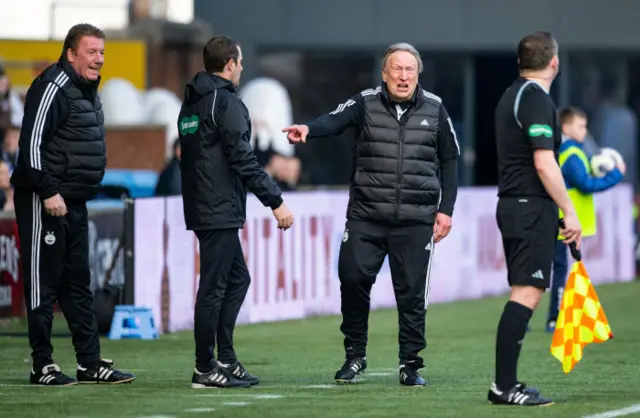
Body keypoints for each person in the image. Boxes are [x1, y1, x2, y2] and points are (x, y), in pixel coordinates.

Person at [282, 42, 459, 386]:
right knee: (352, 278)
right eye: (397, 69)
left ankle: (410, 364)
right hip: (366, 217)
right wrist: (308, 129)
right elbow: (334, 120)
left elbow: (450, 159)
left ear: (417, 74)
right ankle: (354, 356)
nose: (403, 76)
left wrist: (446, 210)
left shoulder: (436, 109)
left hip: (416, 220)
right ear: (385, 73)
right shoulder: (365, 102)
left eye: (410, 70)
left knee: (411, 295)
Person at [9, 23, 135, 386]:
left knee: (79, 283)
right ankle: (42, 365)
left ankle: (90, 362)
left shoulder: (87, 91)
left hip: (76, 201)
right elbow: (30, 147)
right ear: (70, 54)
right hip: (43, 199)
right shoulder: (51, 87)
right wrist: (48, 191)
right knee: (42, 282)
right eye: (92, 52)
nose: (99, 59)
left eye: (102, 53)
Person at [178, 35, 294, 389]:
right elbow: (242, 159)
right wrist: (275, 200)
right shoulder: (226, 103)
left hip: (202, 204)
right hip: (218, 209)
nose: (241, 67)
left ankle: (225, 358)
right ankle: (204, 367)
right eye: (239, 62)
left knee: (236, 279)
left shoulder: (191, 104)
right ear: (229, 64)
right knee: (213, 287)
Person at [490, 31, 582, 406]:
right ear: (554, 62)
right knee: (526, 292)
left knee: (524, 290)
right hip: (528, 207)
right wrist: (569, 210)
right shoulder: (536, 100)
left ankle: (506, 383)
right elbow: (544, 164)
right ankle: (503, 386)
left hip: (519, 205)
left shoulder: (513, 94)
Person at [545, 107, 624, 332]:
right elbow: (586, 184)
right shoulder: (570, 155)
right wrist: (615, 175)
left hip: (568, 221)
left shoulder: (577, 153)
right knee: (561, 268)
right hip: (564, 221)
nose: (584, 130)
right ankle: (555, 318)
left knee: (564, 267)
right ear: (566, 127)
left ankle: (560, 315)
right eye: (580, 126)